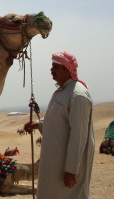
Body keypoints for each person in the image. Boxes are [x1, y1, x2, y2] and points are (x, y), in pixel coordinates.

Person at [23, 51, 94, 199]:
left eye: (56, 67)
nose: (51, 70)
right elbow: (56, 121)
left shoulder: (78, 95)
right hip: (54, 163)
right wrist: (37, 124)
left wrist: (71, 170)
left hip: (66, 167)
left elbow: (79, 135)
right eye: (52, 66)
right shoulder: (62, 92)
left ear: (67, 70)